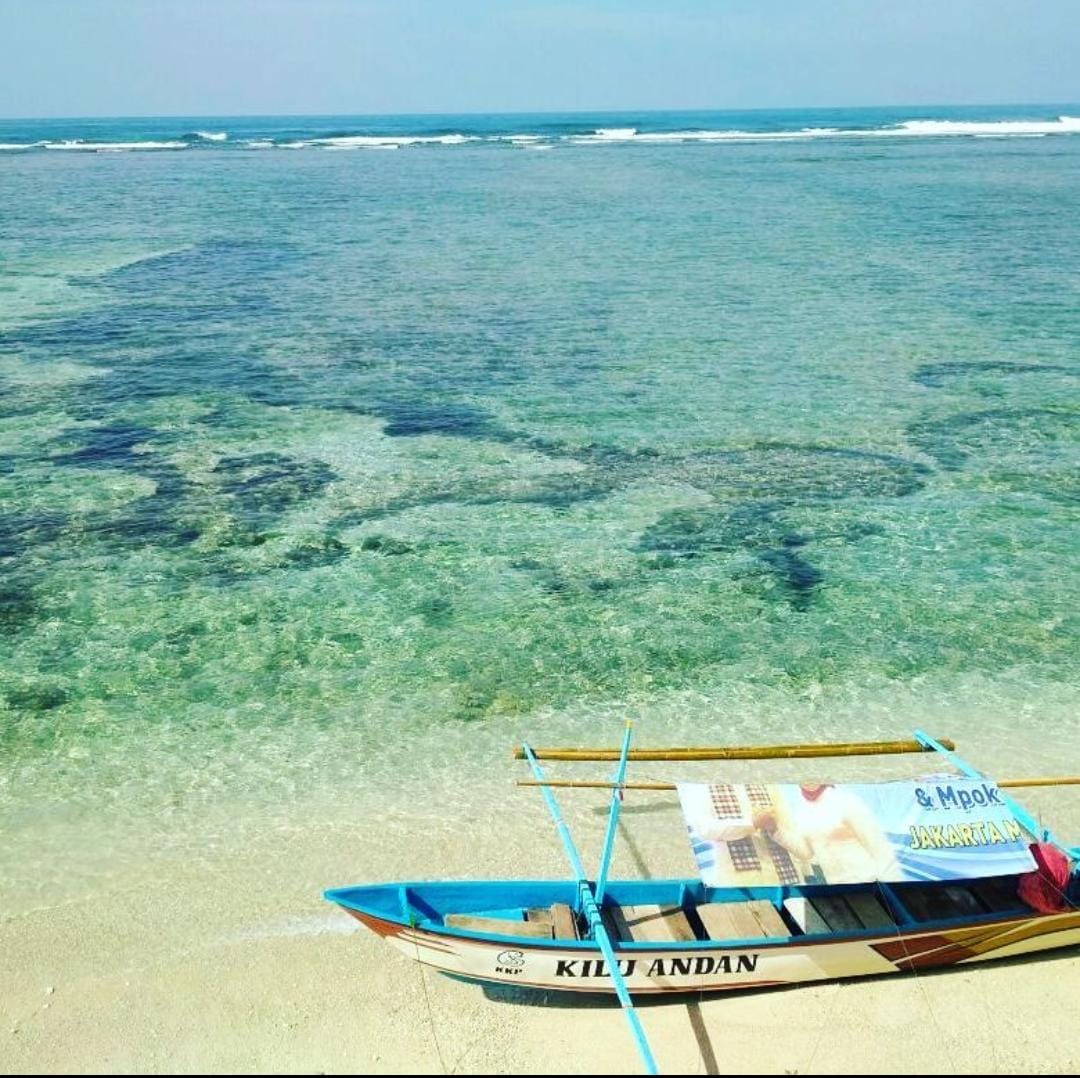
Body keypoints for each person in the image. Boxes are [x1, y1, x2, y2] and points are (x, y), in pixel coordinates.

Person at [752, 782, 898, 884]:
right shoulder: (801, 811)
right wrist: (774, 828)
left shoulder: (847, 801)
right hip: (835, 887)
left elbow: (879, 846)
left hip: (870, 881)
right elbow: (805, 853)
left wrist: (892, 887)